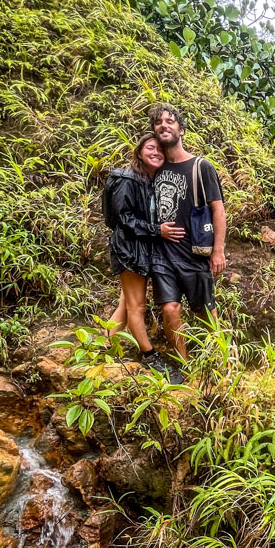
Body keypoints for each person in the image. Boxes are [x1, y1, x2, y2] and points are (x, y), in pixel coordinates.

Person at [147, 102, 227, 364]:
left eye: (170, 121)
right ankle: (185, 366)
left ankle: (223, 362)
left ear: (180, 129)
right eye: (158, 122)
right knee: (170, 309)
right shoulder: (154, 168)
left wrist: (218, 251)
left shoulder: (200, 166)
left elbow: (218, 210)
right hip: (162, 255)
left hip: (195, 253)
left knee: (205, 312)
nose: (164, 125)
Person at [105, 134, 171, 374]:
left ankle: (102, 345)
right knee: (137, 307)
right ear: (140, 152)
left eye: (160, 150)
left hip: (141, 247)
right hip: (129, 248)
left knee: (126, 303)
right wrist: (157, 230)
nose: (156, 152)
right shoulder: (128, 178)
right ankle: (149, 354)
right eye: (150, 148)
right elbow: (123, 218)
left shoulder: (150, 181)